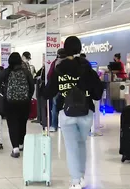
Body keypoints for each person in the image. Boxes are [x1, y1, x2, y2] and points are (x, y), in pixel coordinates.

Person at [43, 36, 103, 189]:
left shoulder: (59, 69)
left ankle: (76, 180)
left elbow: (48, 92)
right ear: (80, 48)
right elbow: (98, 92)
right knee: (81, 144)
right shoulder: (87, 69)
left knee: (71, 147)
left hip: (67, 112)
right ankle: (81, 175)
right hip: (86, 111)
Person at [0, 52, 35, 158]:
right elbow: (32, 86)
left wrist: (2, 92)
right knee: (22, 123)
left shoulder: (6, 72)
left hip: (10, 103)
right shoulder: (26, 72)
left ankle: (15, 149)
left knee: (13, 124)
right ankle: (21, 144)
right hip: (24, 102)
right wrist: (27, 97)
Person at [47, 48, 67, 132]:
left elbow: (49, 75)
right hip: (67, 87)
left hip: (57, 87)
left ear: (58, 54)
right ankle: (66, 126)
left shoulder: (55, 62)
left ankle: (54, 125)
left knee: (54, 107)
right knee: (67, 106)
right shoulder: (69, 62)